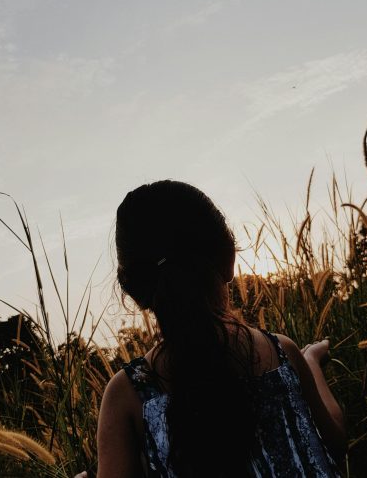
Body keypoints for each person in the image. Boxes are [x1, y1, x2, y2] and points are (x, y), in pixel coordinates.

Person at [94, 180, 346, 477]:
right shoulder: (283, 353)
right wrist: (311, 364)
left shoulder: (127, 396)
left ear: (137, 294)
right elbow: (336, 441)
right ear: (228, 257)